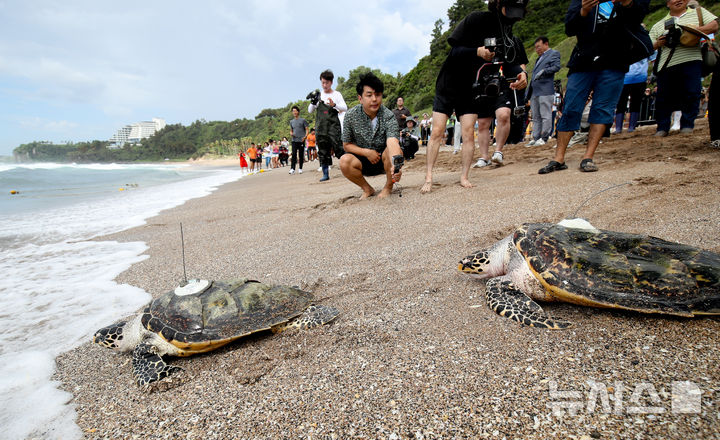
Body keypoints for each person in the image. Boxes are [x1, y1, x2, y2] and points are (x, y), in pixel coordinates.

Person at [422, 0, 529, 193]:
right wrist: (477, 52)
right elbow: (454, 51)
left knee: (468, 131)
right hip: (448, 83)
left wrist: (522, 74)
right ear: (499, 4)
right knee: (437, 131)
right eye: (510, 10)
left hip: (471, 86)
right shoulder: (476, 19)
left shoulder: (507, 34)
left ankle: (464, 176)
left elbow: (509, 62)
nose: (512, 16)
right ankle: (429, 177)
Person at [538, 0, 650, 175]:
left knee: (603, 108)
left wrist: (627, 3)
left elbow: (637, 18)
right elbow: (569, 28)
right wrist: (584, 10)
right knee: (571, 107)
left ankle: (588, 156)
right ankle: (558, 157)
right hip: (584, 59)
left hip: (615, 60)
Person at [649, 0, 718, 137]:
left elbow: (714, 25)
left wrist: (694, 30)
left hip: (692, 59)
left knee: (692, 93)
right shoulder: (659, 24)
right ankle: (662, 127)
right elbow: (647, 47)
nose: (679, 0)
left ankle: (687, 125)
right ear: (667, 3)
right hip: (666, 64)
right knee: (664, 97)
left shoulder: (698, 13)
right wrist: (659, 42)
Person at [338, 72, 403, 199]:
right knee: (344, 161)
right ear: (360, 98)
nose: (374, 99)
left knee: (396, 151)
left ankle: (388, 187)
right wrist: (366, 152)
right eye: (369, 95)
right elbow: (346, 145)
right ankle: (367, 189)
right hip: (363, 161)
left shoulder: (388, 115)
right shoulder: (350, 116)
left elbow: (392, 141)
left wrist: (397, 165)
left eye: (378, 95)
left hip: (384, 160)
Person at [308, 69, 347, 182]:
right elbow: (310, 110)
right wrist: (313, 101)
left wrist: (334, 105)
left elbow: (345, 108)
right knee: (323, 151)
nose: (324, 85)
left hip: (333, 126)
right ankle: (325, 174)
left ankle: (349, 167)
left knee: (339, 148)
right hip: (321, 128)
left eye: (326, 83)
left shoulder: (336, 94)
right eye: (323, 82)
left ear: (331, 82)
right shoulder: (318, 95)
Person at [526, 36, 562, 146]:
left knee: (545, 115)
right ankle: (536, 137)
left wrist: (544, 71)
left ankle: (544, 137)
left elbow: (556, 67)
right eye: (536, 48)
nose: (537, 50)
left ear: (546, 44)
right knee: (536, 116)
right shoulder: (539, 58)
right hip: (535, 91)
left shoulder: (553, 53)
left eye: (539, 47)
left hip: (545, 90)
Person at [614, 52, 653, 134]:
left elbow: (654, 59)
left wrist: (652, 75)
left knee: (636, 103)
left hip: (640, 79)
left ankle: (632, 127)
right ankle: (618, 128)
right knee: (620, 103)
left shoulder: (645, 45)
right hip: (623, 79)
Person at [289, 105, 309, 174]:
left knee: (301, 155)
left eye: (295, 111)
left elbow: (307, 129)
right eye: (293, 111)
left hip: (301, 140)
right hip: (294, 140)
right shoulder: (291, 121)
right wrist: (291, 133)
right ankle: (292, 169)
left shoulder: (303, 120)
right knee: (294, 154)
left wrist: (305, 137)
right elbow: (291, 130)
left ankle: (300, 168)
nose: (294, 112)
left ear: (298, 112)